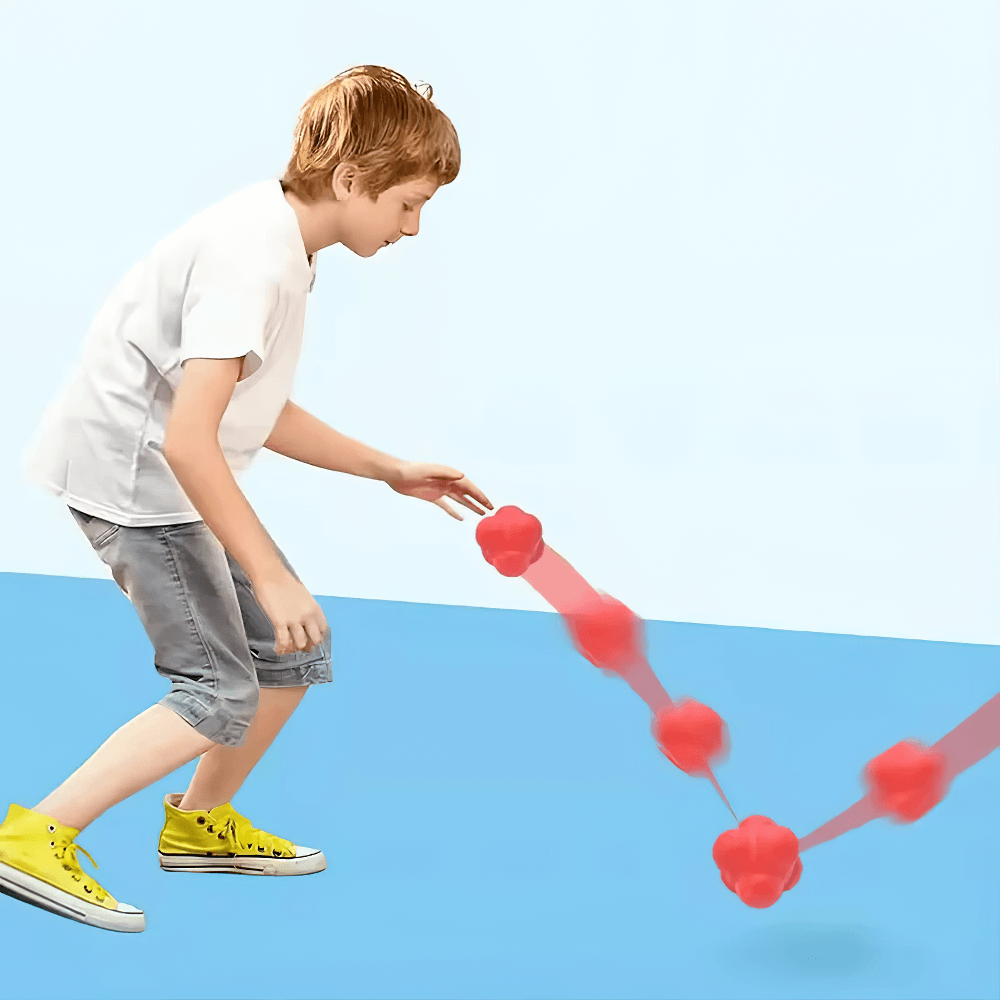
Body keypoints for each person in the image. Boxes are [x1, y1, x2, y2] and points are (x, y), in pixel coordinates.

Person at [0, 65, 492, 934]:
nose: (414, 227)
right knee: (217, 688)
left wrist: (390, 470)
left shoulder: (284, 245)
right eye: (409, 204)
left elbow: (252, 407)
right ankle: (32, 835)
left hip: (172, 472)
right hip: (138, 484)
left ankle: (198, 825)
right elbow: (191, 439)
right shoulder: (250, 260)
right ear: (351, 181)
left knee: (288, 652)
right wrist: (270, 574)